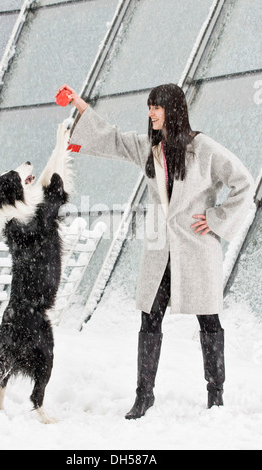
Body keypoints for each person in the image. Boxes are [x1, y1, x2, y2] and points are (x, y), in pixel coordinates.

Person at [58, 83, 255, 419]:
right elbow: (114, 139)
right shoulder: (150, 148)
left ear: (173, 110)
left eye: (157, 107)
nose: (151, 113)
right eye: (149, 107)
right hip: (160, 248)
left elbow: (244, 182)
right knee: (149, 317)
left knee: (209, 319)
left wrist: (216, 218)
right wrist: (81, 107)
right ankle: (143, 395)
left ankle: (216, 395)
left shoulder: (203, 148)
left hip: (195, 246)